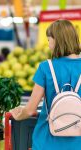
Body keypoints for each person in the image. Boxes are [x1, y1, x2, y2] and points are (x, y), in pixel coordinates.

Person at [10, 20, 81, 150]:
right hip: (77, 142)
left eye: (49, 40)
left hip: (46, 141)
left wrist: (17, 114)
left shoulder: (46, 67)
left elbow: (30, 110)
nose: (48, 45)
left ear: (57, 41)